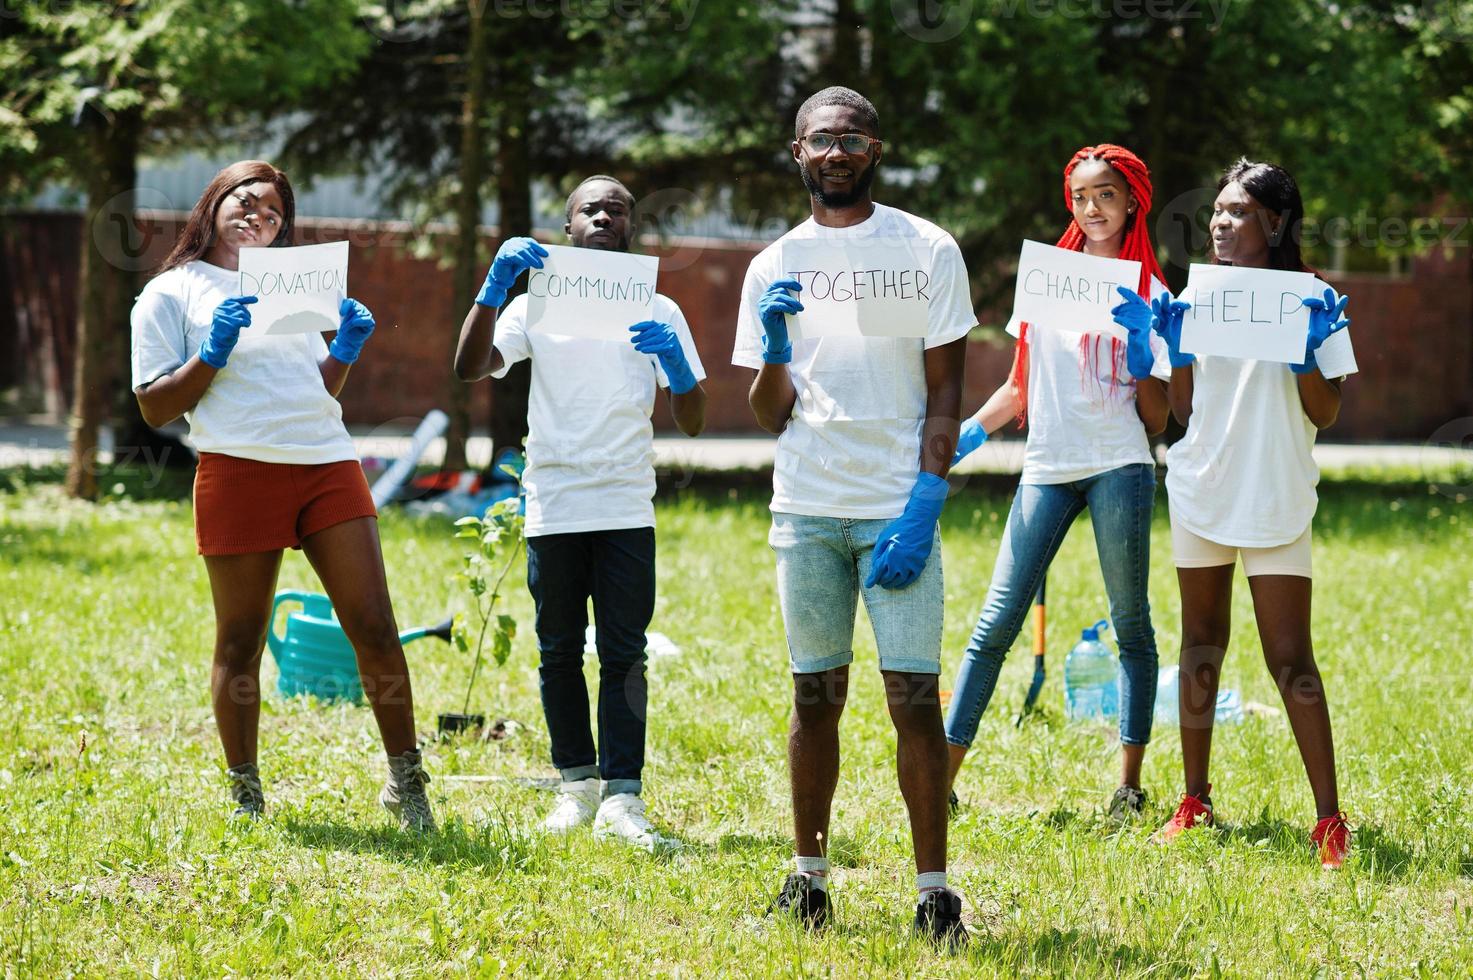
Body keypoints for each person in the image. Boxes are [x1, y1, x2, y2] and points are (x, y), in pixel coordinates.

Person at [733, 86, 973, 944]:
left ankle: (934, 893)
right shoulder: (774, 264)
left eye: (851, 139)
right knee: (814, 696)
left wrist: (927, 495)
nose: (835, 151)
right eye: (819, 139)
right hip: (805, 509)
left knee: (913, 699)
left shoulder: (921, 249)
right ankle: (808, 880)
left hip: (893, 508)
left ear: (875, 149)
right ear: (796, 152)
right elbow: (767, 414)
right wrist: (769, 349)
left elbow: (946, 388)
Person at [129, 160, 433, 831]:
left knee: (376, 627)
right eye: (244, 199)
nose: (256, 213)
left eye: (271, 210)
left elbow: (313, 390)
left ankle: (406, 780)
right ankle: (245, 792)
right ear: (212, 204)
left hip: (326, 462)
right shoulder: (171, 293)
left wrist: (345, 348)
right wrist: (211, 351)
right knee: (240, 640)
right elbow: (153, 406)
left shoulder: (292, 286)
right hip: (237, 468)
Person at [453, 175, 707, 851]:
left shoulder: (657, 306)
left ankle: (623, 796)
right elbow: (470, 365)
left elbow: (694, 417)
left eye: (616, 209)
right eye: (588, 209)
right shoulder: (537, 304)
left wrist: (676, 368)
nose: (603, 216)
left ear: (630, 228)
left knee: (624, 655)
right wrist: (492, 287)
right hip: (554, 500)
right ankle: (576, 782)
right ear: (567, 228)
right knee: (559, 650)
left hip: (625, 502)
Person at [1133, 158, 1355, 869]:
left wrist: (1304, 358)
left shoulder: (1313, 298)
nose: (1220, 223)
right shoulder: (1195, 298)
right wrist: (1173, 349)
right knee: (1199, 647)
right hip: (1201, 487)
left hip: (1277, 492)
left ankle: (1329, 821)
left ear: (1275, 222)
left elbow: (1325, 411)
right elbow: (1183, 413)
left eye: (1236, 212)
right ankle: (1193, 799)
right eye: (1217, 212)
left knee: (1290, 660)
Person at [945, 145, 1172, 820]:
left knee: (1132, 624)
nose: (1091, 208)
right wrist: (959, 438)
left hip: (1118, 466)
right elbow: (1018, 386)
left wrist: (1141, 348)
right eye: (1079, 196)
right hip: (1045, 466)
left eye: (1104, 194)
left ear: (1131, 199)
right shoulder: (1046, 280)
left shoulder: (1151, 292)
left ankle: (1128, 787)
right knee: (993, 624)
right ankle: (941, 776)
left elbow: (1157, 417)